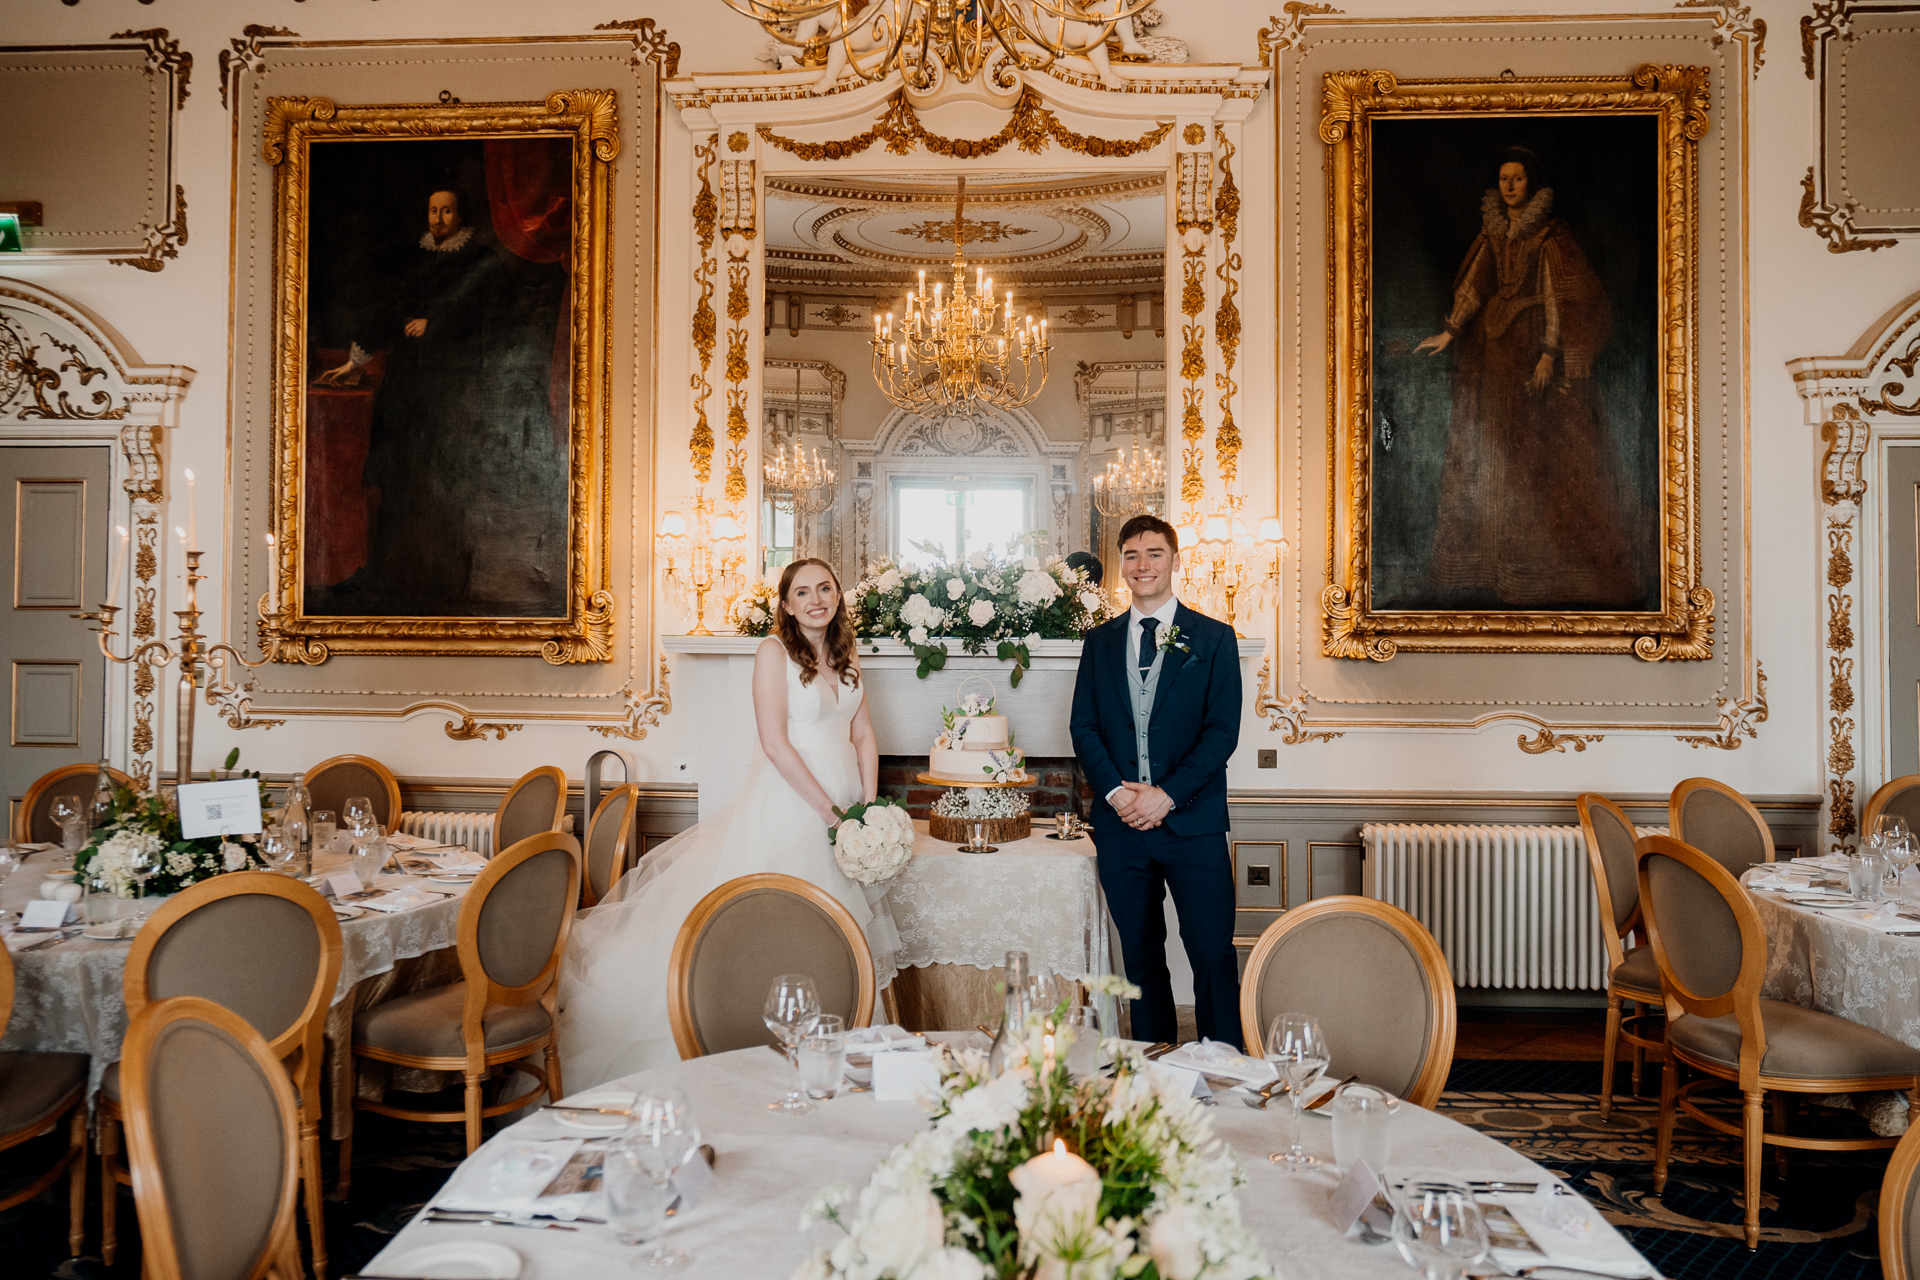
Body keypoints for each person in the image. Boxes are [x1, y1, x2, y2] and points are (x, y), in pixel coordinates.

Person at [558, 558, 900, 1090]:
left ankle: (832, 1050)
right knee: (782, 923)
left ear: (837, 596)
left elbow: (863, 735)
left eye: (825, 588)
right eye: (803, 592)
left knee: (841, 929)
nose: (816, 599)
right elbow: (774, 743)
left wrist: (869, 809)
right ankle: (757, 1052)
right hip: (792, 801)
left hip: (849, 798)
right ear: (786, 604)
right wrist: (831, 814)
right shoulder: (772, 652)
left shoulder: (845, 649)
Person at [313, 183, 569, 617]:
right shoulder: (414, 257)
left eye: (447, 211)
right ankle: (384, 577)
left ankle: (447, 582)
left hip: (454, 391)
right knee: (399, 482)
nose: (438, 219)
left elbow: (496, 321)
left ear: (460, 214)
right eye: (433, 210)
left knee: (446, 488)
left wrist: (438, 324)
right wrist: (356, 363)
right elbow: (388, 311)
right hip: (409, 388)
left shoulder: (479, 261)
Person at [1413, 146, 1647, 610]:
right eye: (1503, 178)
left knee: (1534, 452)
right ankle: (1488, 564)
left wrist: (1549, 354)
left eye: (1517, 179)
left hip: (1534, 346)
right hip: (1493, 353)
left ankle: (1537, 566)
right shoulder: (1493, 233)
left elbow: (1560, 297)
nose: (1509, 186)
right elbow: (1475, 284)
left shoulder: (1550, 236)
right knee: (1494, 448)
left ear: (1532, 185)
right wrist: (1449, 330)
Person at [1069, 514, 1243, 1047]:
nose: (1142, 565)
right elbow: (1084, 726)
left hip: (1193, 826)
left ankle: (1225, 1067)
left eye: (1154, 553)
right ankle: (1154, 1066)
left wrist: (1166, 796)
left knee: (1211, 953)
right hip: (1122, 829)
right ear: (1121, 564)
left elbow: (1221, 732)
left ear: (1174, 560)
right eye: (1131, 555)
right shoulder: (1099, 642)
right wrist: (1120, 795)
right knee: (1141, 961)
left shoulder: (1213, 638)